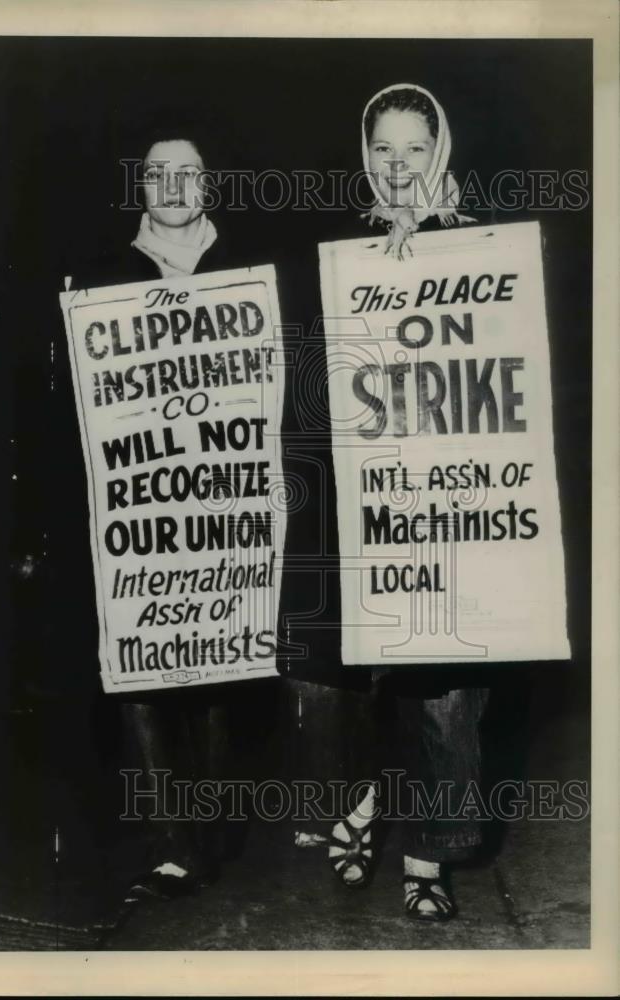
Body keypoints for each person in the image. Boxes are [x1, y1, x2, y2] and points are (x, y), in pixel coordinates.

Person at [280, 83, 489, 923]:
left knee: (441, 686)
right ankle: (355, 802)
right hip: (350, 495)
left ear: (438, 151)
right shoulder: (332, 247)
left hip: (443, 500)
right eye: (381, 150)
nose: (397, 167)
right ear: (362, 154)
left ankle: (427, 855)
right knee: (338, 679)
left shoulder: (481, 246)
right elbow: (303, 374)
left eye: (412, 148)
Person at [68, 123, 270, 900]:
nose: (175, 186)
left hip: (223, 509)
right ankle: (173, 845)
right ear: (141, 188)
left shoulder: (251, 271)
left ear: (209, 186)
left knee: (221, 675)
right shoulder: (98, 277)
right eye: (159, 173)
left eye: (190, 173)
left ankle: (213, 830)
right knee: (141, 676)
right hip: (139, 510)